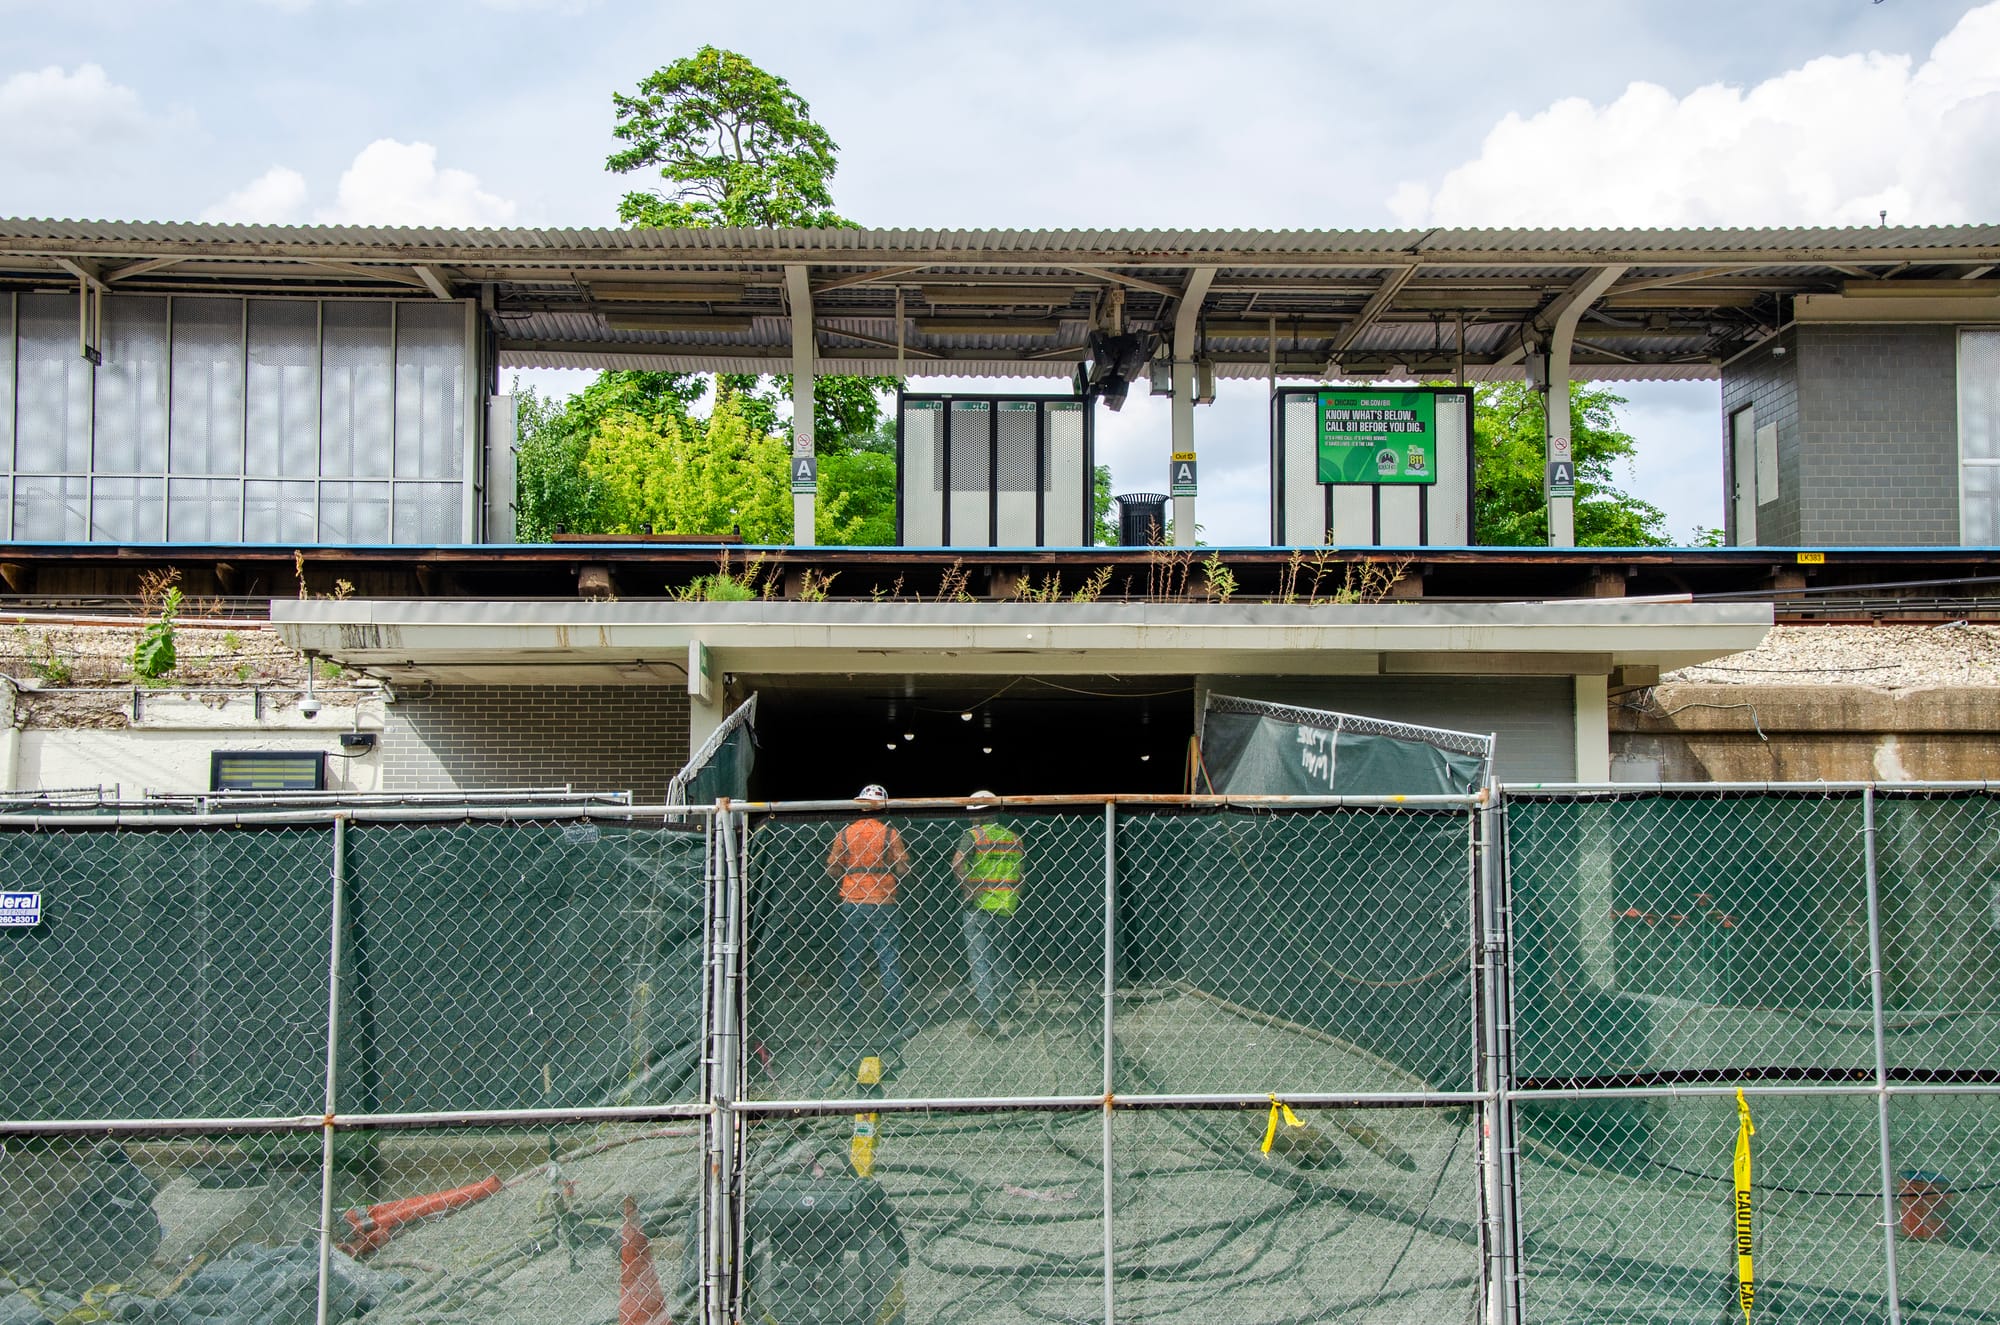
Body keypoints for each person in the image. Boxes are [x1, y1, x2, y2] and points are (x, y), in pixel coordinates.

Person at [825, 784, 912, 1043]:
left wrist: (852, 873)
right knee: (888, 957)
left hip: (852, 901)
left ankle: (849, 1013)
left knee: (852, 958)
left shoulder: (845, 834)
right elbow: (903, 868)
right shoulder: (890, 833)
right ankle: (894, 1014)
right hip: (884, 900)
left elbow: (832, 869)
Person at [951, 790, 1024, 1037]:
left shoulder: (972, 836)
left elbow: (957, 863)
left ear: (976, 815)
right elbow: (1021, 874)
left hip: (979, 907)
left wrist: (968, 890)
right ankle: (1008, 1006)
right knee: (1002, 958)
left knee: (980, 962)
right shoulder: (1014, 838)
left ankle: (987, 1017)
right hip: (1005, 907)